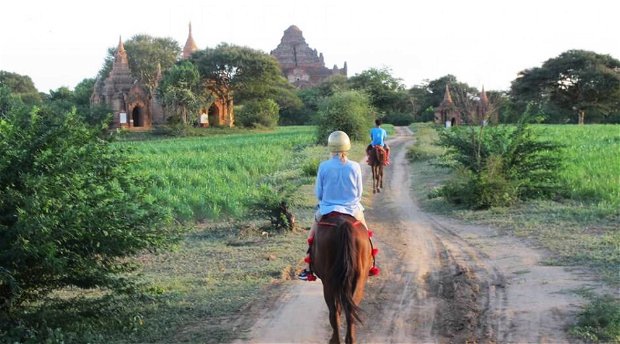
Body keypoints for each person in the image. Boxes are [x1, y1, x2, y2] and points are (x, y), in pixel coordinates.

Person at [298, 131, 367, 280]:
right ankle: (370, 262)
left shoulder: (324, 166)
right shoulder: (354, 166)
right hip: (352, 209)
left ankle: (308, 268)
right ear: (347, 147)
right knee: (365, 235)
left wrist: (327, 200)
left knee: (312, 236)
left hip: (328, 209)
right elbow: (359, 193)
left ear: (331, 147)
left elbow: (319, 193)